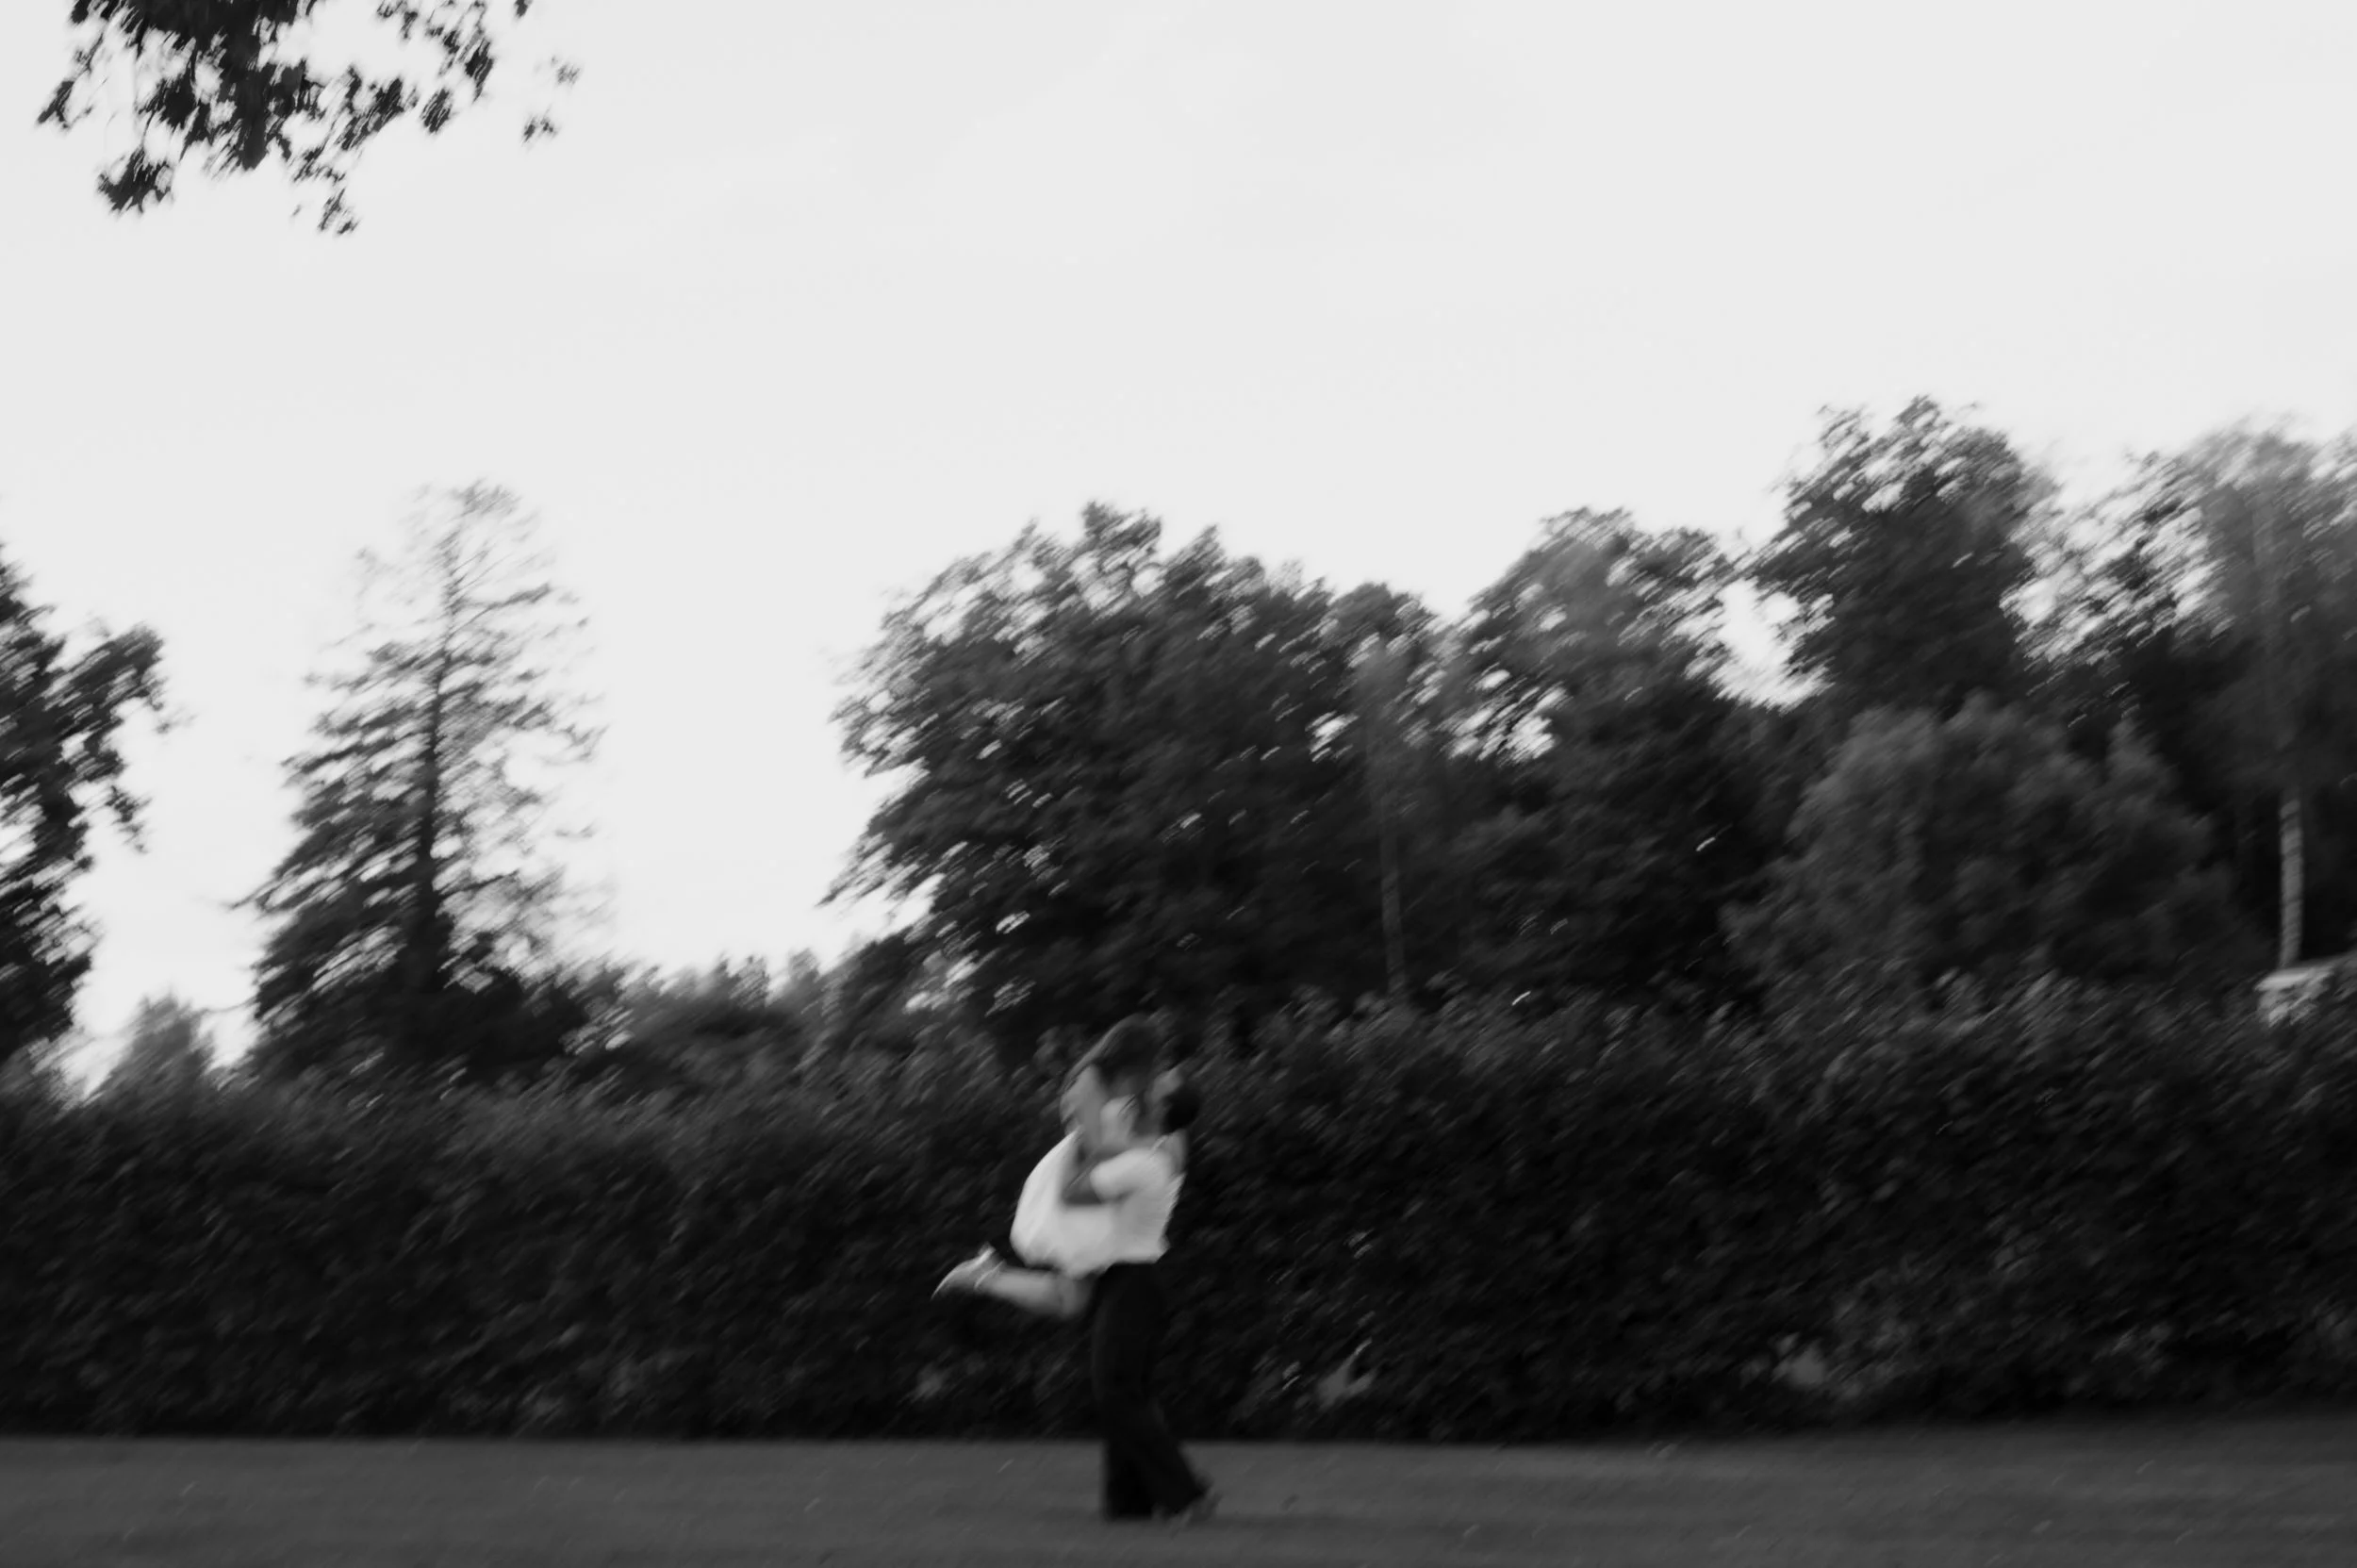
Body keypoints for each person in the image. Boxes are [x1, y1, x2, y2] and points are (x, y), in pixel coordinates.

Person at [936, 1019, 1215, 1526]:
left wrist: (1090, 1148)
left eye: (1162, 1086)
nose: (1158, 1079)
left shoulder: (1149, 1159)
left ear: (1161, 1110)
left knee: (1116, 1389)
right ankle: (1127, 1503)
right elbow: (1131, 1139)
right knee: (1120, 1382)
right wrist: (1111, 1136)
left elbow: (1078, 1184)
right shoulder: (1160, 1144)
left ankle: (1186, 1494)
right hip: (1125, 1271)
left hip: (1131, 1274)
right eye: (1158, 1072)